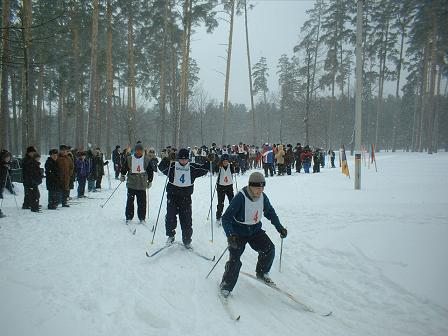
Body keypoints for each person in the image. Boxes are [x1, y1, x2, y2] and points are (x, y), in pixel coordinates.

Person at [219, 172, 287, 298]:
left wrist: (280, 228)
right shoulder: (241, 197)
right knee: (235, 261)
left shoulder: (263, 197)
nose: (260, 190)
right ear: (250, 186)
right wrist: (230, 235)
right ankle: (226, 285)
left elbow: (270, 212)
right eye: (257, 187)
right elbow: (226, 218)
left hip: (254, 230)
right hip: (238, 233)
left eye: (262, 187)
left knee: (269, 249)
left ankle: (261, 273)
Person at [158, 148, 210, 247]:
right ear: (178, 159)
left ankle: (187, 240)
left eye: (185, 159)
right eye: (181, 159)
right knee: (170, 217)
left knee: (186, 219)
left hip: (186, 197)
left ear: (188, 159)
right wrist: (168, 159)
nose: (183, 161)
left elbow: (204, 169)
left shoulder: (192, 167)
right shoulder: (172, 166)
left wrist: (209, 160)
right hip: (172, 196)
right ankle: (170, 236)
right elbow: (161, 167)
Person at [120, 143, 154, 226]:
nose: (139, 152)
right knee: (130, 201)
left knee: (142, 202)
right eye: (137, 150)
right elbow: (124, 168)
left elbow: (150, 171)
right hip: (132, 183)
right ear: (135, 151)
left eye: (140, 150)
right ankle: (129, 217)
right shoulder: (129, 159)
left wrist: (150, 181)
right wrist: (122, 175)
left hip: (142, 184)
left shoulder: (146, 159)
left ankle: (142, 218)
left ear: (143, 151)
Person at [216, 154, 236, 224]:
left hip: (229, 187)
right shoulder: (219, 166)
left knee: (232, 202)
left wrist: (235, 165)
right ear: (222, 161)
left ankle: (233, 216)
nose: (225, 162)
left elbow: (236, 170)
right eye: (224, 161)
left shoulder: (230, 166)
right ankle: (218, 217)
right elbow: (213, 168)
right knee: (220, 203)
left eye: (226, 161)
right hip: (220, 187)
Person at [0, 150, 13, 218]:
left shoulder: (7, 164)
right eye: (7, 157)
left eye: (9, 157)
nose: (8, 158)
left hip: (2, 182)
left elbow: (8, 175)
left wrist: (8, 169)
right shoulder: (2, 164)